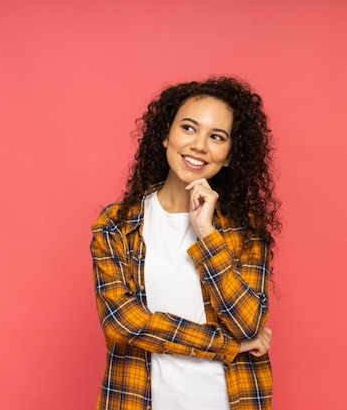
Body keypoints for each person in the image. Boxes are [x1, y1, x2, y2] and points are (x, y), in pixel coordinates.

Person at [90, 77, 280, 410]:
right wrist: (227, 345)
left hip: (228, 400)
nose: (199, 145)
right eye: (189, 128)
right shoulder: (117, 225)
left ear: (231, 155)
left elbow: (248, 323)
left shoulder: (245, 231)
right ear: (166, 135)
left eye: (217, 136)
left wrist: (206, 232)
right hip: (138, 399)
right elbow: (123, 321)